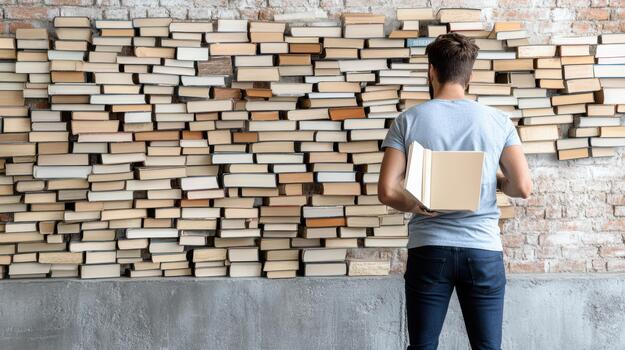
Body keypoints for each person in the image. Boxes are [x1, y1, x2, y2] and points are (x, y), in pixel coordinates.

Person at [377, 33, 532, 350]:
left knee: (422, 346)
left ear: (431, 71)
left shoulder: (407, 121)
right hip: (482, 250)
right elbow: (523, 187)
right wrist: (496, 180)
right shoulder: (498, 121)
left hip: (429, 249)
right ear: (470, 75)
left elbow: (386, 190)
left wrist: (416, 203)